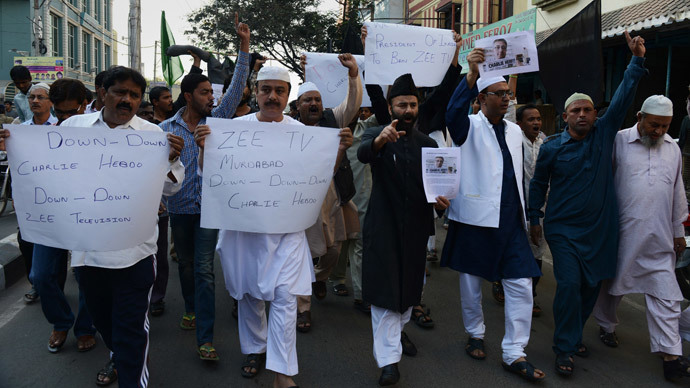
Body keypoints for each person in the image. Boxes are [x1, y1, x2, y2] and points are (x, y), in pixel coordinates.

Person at [0, 65, 185, 387]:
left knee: (130, 330)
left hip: (136, 254)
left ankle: (131, 372)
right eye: (120, 92)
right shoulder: (74, 127)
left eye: (134, 95)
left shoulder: (152, 135)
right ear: (102, 93)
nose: (127, 100)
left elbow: (171, 189)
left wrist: (169, 161)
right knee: (104, 322)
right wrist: (15, 147)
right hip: (88, 256)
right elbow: (51, 172)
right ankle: (121, 355)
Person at [195, 66, 350, 388]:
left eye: (280, 91)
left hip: (287, 235)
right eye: (266, 89)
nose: (273, 97)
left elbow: (321, 178)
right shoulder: (232, 130)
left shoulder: (303, 134)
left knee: (285, 300)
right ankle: (255, 350)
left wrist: (338, 151)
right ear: (256, 90)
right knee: (250, 297)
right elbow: (209, 176)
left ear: (287, 95)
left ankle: (283, 372)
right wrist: (203, 150)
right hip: (244, 233)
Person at [529, 30, 647, 377]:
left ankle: (573, 333)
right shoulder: (551, 147)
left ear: (596, 115)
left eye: (588, 110)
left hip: (599, 230)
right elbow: (538, 184)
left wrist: (636, 60)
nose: (583, 115)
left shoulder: (604, 133)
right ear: (564, 117)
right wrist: (534, 217)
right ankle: (564, 347)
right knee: (568, 284)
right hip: (563, 229)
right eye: (575, 111)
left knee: (590, 286)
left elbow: (625, 97)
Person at [441, 47, 544, 382]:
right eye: (499, 94)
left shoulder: (515, 131)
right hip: (474, 218)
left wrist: (531, 218)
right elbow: (452, 112)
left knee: (521, 285)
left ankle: (514, 352)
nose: (506, 99)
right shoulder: (467, 126)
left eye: (508, 94)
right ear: (482, 97)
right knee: (471, 283)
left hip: (511, 222)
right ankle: (475, 333)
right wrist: (469, 74)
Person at [159, 17, 250, 362]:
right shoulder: (165, 128)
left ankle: (205, 339)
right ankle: (192, 308)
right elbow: (157, 173)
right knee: (185, 265)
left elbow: (239, 82)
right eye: (205, 92)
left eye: (213, 92)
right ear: (188, 96)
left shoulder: (220, 119)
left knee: (204, 269)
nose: (212, 97)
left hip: (211, 211)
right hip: (180, 210)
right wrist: (168, 155)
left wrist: (244, 48)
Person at [358, 73, 449, 386]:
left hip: (416, 230)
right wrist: (381, 139)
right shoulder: (378, 134)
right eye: (401, 105)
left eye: (412, 105)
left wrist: (440, 204)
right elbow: (363, 153)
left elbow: (437, 189)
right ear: (390, 106)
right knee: (386, 295)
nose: (407, 110)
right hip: (383, 228)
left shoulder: (428, 144)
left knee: (409, 294)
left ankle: (395, 339)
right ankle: (388, 361)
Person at [591, 95, 690, 382]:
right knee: (612, 286)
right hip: (622, 234)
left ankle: (670, 357)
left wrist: (678, 232)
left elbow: (677, 194)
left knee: (667, 296)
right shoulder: (618, 140)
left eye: (665, 126)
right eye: (654, 125)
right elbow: (602, 182)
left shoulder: (673, 148)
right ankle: (606, 326)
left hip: (659, 239)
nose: (659, 131)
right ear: (639, 117)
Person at [295, 52, 362, 332]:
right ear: (297, 106)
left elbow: (353, 103)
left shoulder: (333, 119)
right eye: (307, 100)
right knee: (301, 253)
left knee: (333, 249)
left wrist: (353, 74)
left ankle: (319, 278)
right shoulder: (288, 129)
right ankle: (303, 308)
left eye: (317, 100)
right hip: (299, 197)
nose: (313, 104)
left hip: (332, 195)